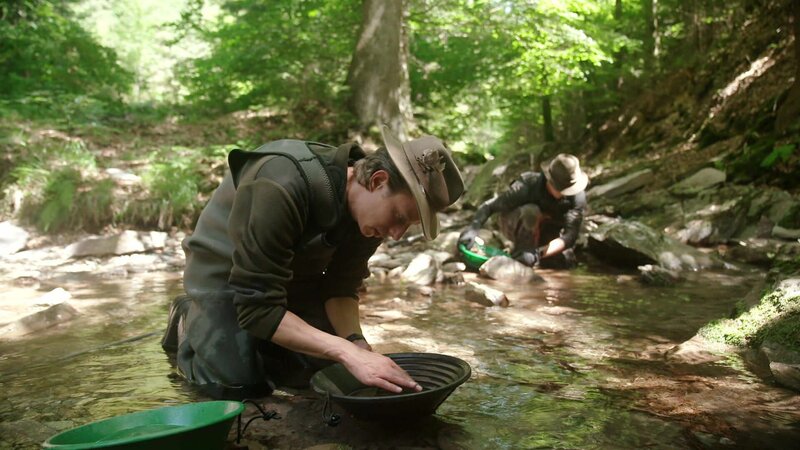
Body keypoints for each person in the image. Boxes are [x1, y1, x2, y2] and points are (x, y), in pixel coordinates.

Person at [161, 125, 465, 399]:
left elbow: (340, 287)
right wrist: (345, 351)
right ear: (377, 181)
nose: (396, 234)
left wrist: (356, 345)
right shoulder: (282, 182)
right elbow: (257, 308)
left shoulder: (370, 218)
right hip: (224, 275)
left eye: (407, 225)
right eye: (399, 217)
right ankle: (190, 317)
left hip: (288, 280)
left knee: (329, 377)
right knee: (237, 388)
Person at [458, 153, 588, 269]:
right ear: (549, 181)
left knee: (564, 262)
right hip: (516, 224)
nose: (565, 193)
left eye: (569, 188)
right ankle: (522, 250)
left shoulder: (577, 196)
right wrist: (473, 229)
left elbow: (570, 236)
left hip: (548, 233)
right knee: (531, 211)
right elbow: (489, 206)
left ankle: (528, 254)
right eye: (561, 189)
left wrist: (539, 253)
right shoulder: (527, 185)